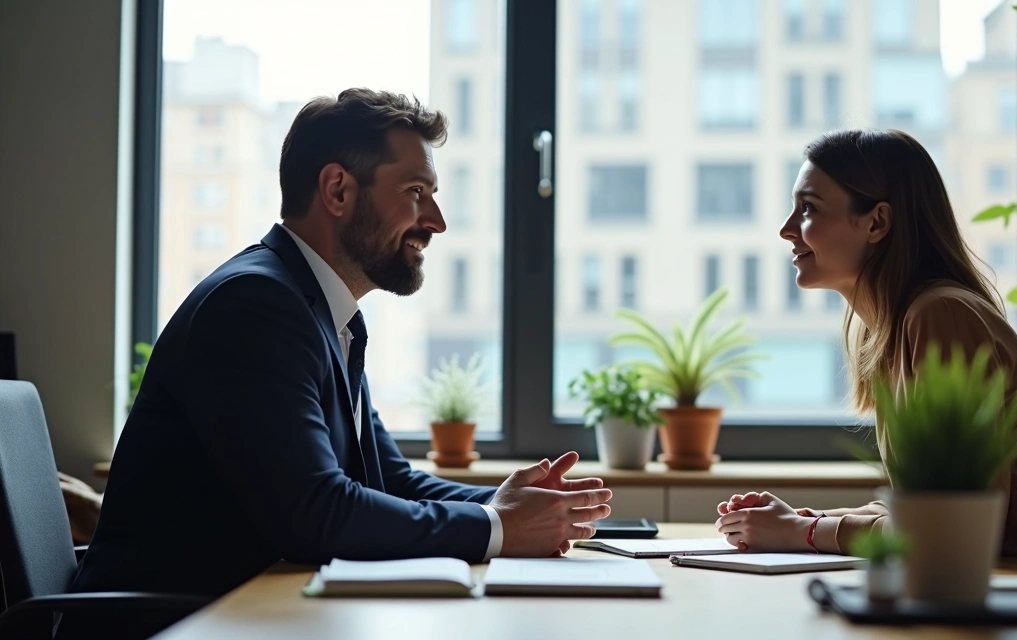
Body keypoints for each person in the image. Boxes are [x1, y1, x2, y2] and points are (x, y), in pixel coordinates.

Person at [60, 89, 612, 639]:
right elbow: (316, 512)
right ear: (338, 189)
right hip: (169, 625)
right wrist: (497, 527)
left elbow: (385, 478)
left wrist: (513, 504)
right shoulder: (255, 306)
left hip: (250, 614)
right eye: (415, 192)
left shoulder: (321, 311)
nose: (437, 221)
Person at [714, 129, 1017, 593]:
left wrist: (804, 534)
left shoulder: (941, 315)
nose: (787, 228)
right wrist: (804, 521)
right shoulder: (899, 327)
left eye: (809, 208)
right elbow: (920, 509)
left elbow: (952, 529)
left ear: (876, 223)